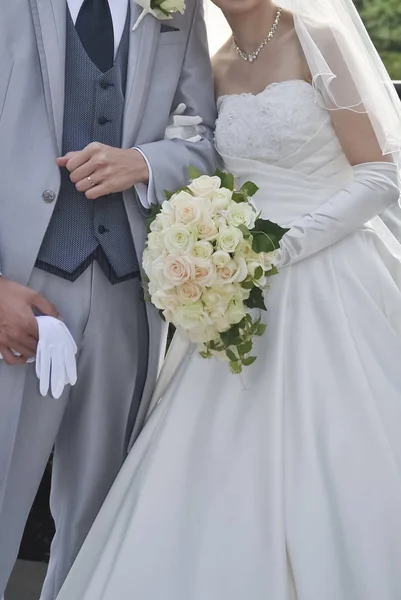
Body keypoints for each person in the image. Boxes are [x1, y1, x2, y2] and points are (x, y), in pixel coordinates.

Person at [55, 0, 401, 598]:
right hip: (233, 291)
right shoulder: (211, 60)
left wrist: (280, 251)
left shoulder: (319, 39)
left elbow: (381, 174)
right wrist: (198, 244)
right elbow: (209, 159)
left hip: (328, 276)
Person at [0, 1, 216, 599]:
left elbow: (211, 139)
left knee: (98, 528)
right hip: (19, 292)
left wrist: (144, 162)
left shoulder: (180, 9)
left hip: (130, 296)